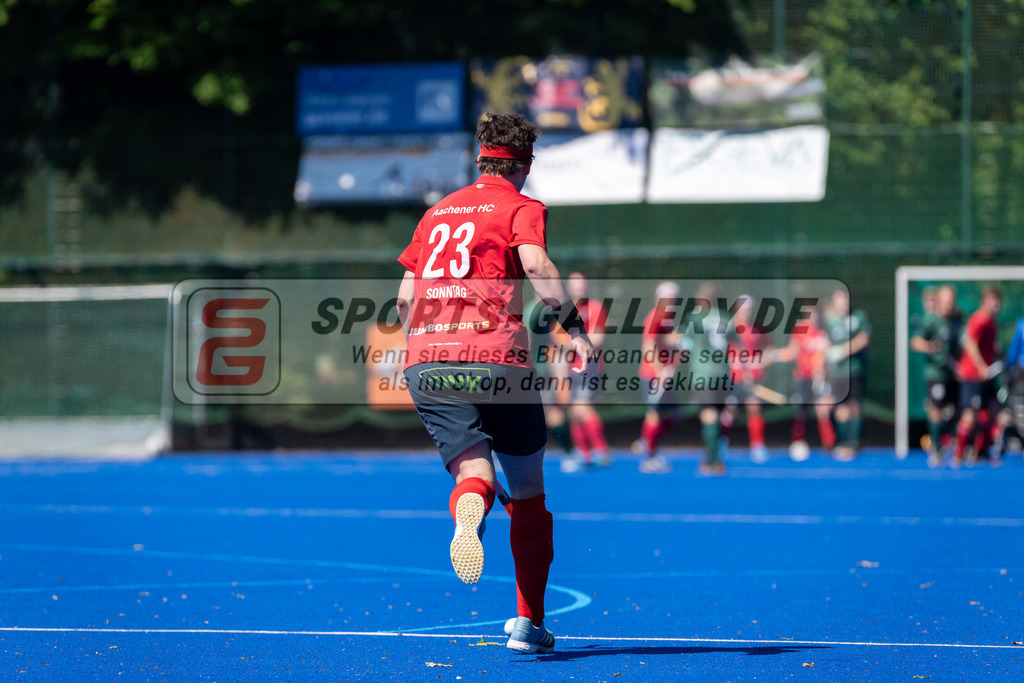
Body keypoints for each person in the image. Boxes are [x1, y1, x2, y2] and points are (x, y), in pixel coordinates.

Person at [396, 112, 597, 654]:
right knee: (529, 493)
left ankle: (471, 502)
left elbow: (404, 299)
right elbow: (535, 266)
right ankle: (529, 626)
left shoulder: (435, 213)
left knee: (475, 469)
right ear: (523, 166)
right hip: (497, 359)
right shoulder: (521, 207)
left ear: (479, 158)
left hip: (429, 360)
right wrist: (574, 330)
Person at [550, 271, 611, 471]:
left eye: (582, 283)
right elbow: (559, 341)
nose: (579, 287)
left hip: (591, 367)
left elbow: (598, 337)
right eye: (575, 283)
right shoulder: (565, 311)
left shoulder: (595, 308)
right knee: (574, 411)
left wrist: (575, 343)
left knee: (583, 406)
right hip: (570, 368)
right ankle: (584, 453)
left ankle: (601, 450)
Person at [632, 281, 685, 473]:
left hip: (664, 375)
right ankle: (649, 456)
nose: (671, 301)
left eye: (674, 298)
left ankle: (646, 441)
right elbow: (648, 346)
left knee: (674, 416)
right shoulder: (654, 316)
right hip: (652, 375)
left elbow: (670, 343)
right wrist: (659, 371)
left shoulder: (670, 318)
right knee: (654, 415)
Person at [909, 284, 962, 467]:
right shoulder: (931, 320)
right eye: (946, 300)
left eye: (952, 300)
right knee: (936, 409)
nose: (949, 304)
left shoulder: (956, 320)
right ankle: (937, 447)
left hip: (954, 373)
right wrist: (931, 347)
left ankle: (950, 441)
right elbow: (915, 342)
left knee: (958, 409)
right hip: (936, 373)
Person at [524, 292, 577, 472]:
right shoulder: (535, 311)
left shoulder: (551, 312)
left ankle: (569, 453)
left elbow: (556, 342)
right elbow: (528, 341)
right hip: (532, 372)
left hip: (542, 372)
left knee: (552, 414)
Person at [951, 286, 1002, 467]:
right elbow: (970, 345)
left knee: (993, 412)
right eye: (992, 300)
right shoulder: (978, 320)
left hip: (987, 375)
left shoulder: (991, 321)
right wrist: (981, 367)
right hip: (973, 374)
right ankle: (959, 453)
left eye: (998, 300)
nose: (996, 304)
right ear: (984, 301)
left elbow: (989, 346)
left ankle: (981, 451)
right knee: (970, 414)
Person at [777, 303, 835, 460]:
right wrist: (777, 355)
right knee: (802, 411)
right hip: (802, 378)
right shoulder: (799, 331)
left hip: (818, 378)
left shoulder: (822, 333)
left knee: (822, 409)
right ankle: (798, 441)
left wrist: (822, 371)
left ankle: (829, 443)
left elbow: (826, 354)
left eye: (813, 313)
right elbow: (792, 350)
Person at [721, 294, 774, 464]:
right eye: (743, 309)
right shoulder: (729, 327)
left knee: (754, 407)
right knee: (730, 411)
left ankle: (757, 446)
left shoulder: (758, 328)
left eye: (749, 309)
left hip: (754, 377)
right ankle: (722, 442)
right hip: (734, 377)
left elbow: (768, 347)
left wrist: (764, 359)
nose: (746, 313)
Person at [823, 288, 871, 461]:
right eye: (840, 298)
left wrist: (842, 350)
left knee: (855, 405)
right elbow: (824, 343)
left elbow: (864, 339)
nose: (844, 302)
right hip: (837, 373)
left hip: (855, 370)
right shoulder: (830, 320)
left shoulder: (859, 317)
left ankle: (854, 442)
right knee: (840, 407)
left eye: (846, 298)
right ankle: (843, 442)